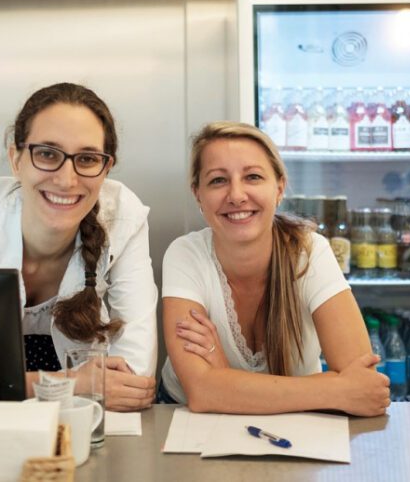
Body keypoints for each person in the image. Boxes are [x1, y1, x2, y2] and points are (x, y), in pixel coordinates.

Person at [0, 82, 156, 411]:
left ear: (106, 168)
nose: (67, 179)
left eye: (86, 158)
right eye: (47, 154)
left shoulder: (125, 217)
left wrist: (0, 385)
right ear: (15, 159)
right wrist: (75, 383)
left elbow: (134, 380)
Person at [159, 121, 389, 415]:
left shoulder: (310, 251)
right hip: (181, 415)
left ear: (279, 188)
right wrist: (335, 389)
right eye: (218, 180)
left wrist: (224, 378)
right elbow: (202, 392)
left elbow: (365, 384)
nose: (237, 195)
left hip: (297, 420)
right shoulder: (186, 254)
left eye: (253, 177)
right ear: (198, 194)